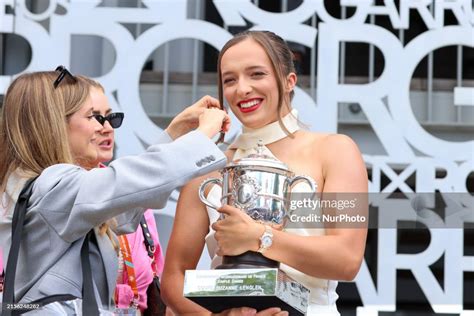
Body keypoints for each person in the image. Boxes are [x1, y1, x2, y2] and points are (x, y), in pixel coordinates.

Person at [161, 31, 368, 316]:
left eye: (256, 74)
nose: (242, 89)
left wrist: (260, 237)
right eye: (229, 80)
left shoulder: (337, 151)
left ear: (289, 81)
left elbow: (348, 259)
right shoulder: (207, 165)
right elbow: (173, 277)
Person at [0, 66, 230, 315]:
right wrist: (202, 134)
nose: (105, 127)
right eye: (92, 116)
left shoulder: (29, 187)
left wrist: (175, 133)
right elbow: (128, 183)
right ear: (54, 124)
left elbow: (123, 205)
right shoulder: (52, 187)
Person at [78, 81, 165, 314]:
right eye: (94, 117)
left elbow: (158, 278)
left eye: (109, 117)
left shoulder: (134, 199)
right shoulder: (46, 192)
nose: (107, 127)